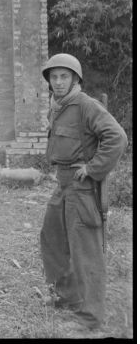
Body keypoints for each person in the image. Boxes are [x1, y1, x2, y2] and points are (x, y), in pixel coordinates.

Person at [39, 53, 127, 332]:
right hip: (63, 183)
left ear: (75, 79)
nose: (59, 82)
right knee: (51, 237)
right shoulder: (58, 106)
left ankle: (91, 317)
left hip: (82, 187)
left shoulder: (86, 105)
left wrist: (93, 168)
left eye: (64, 76)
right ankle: (68, 297)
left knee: (85, 250)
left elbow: (118, 137)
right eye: (54, 77)